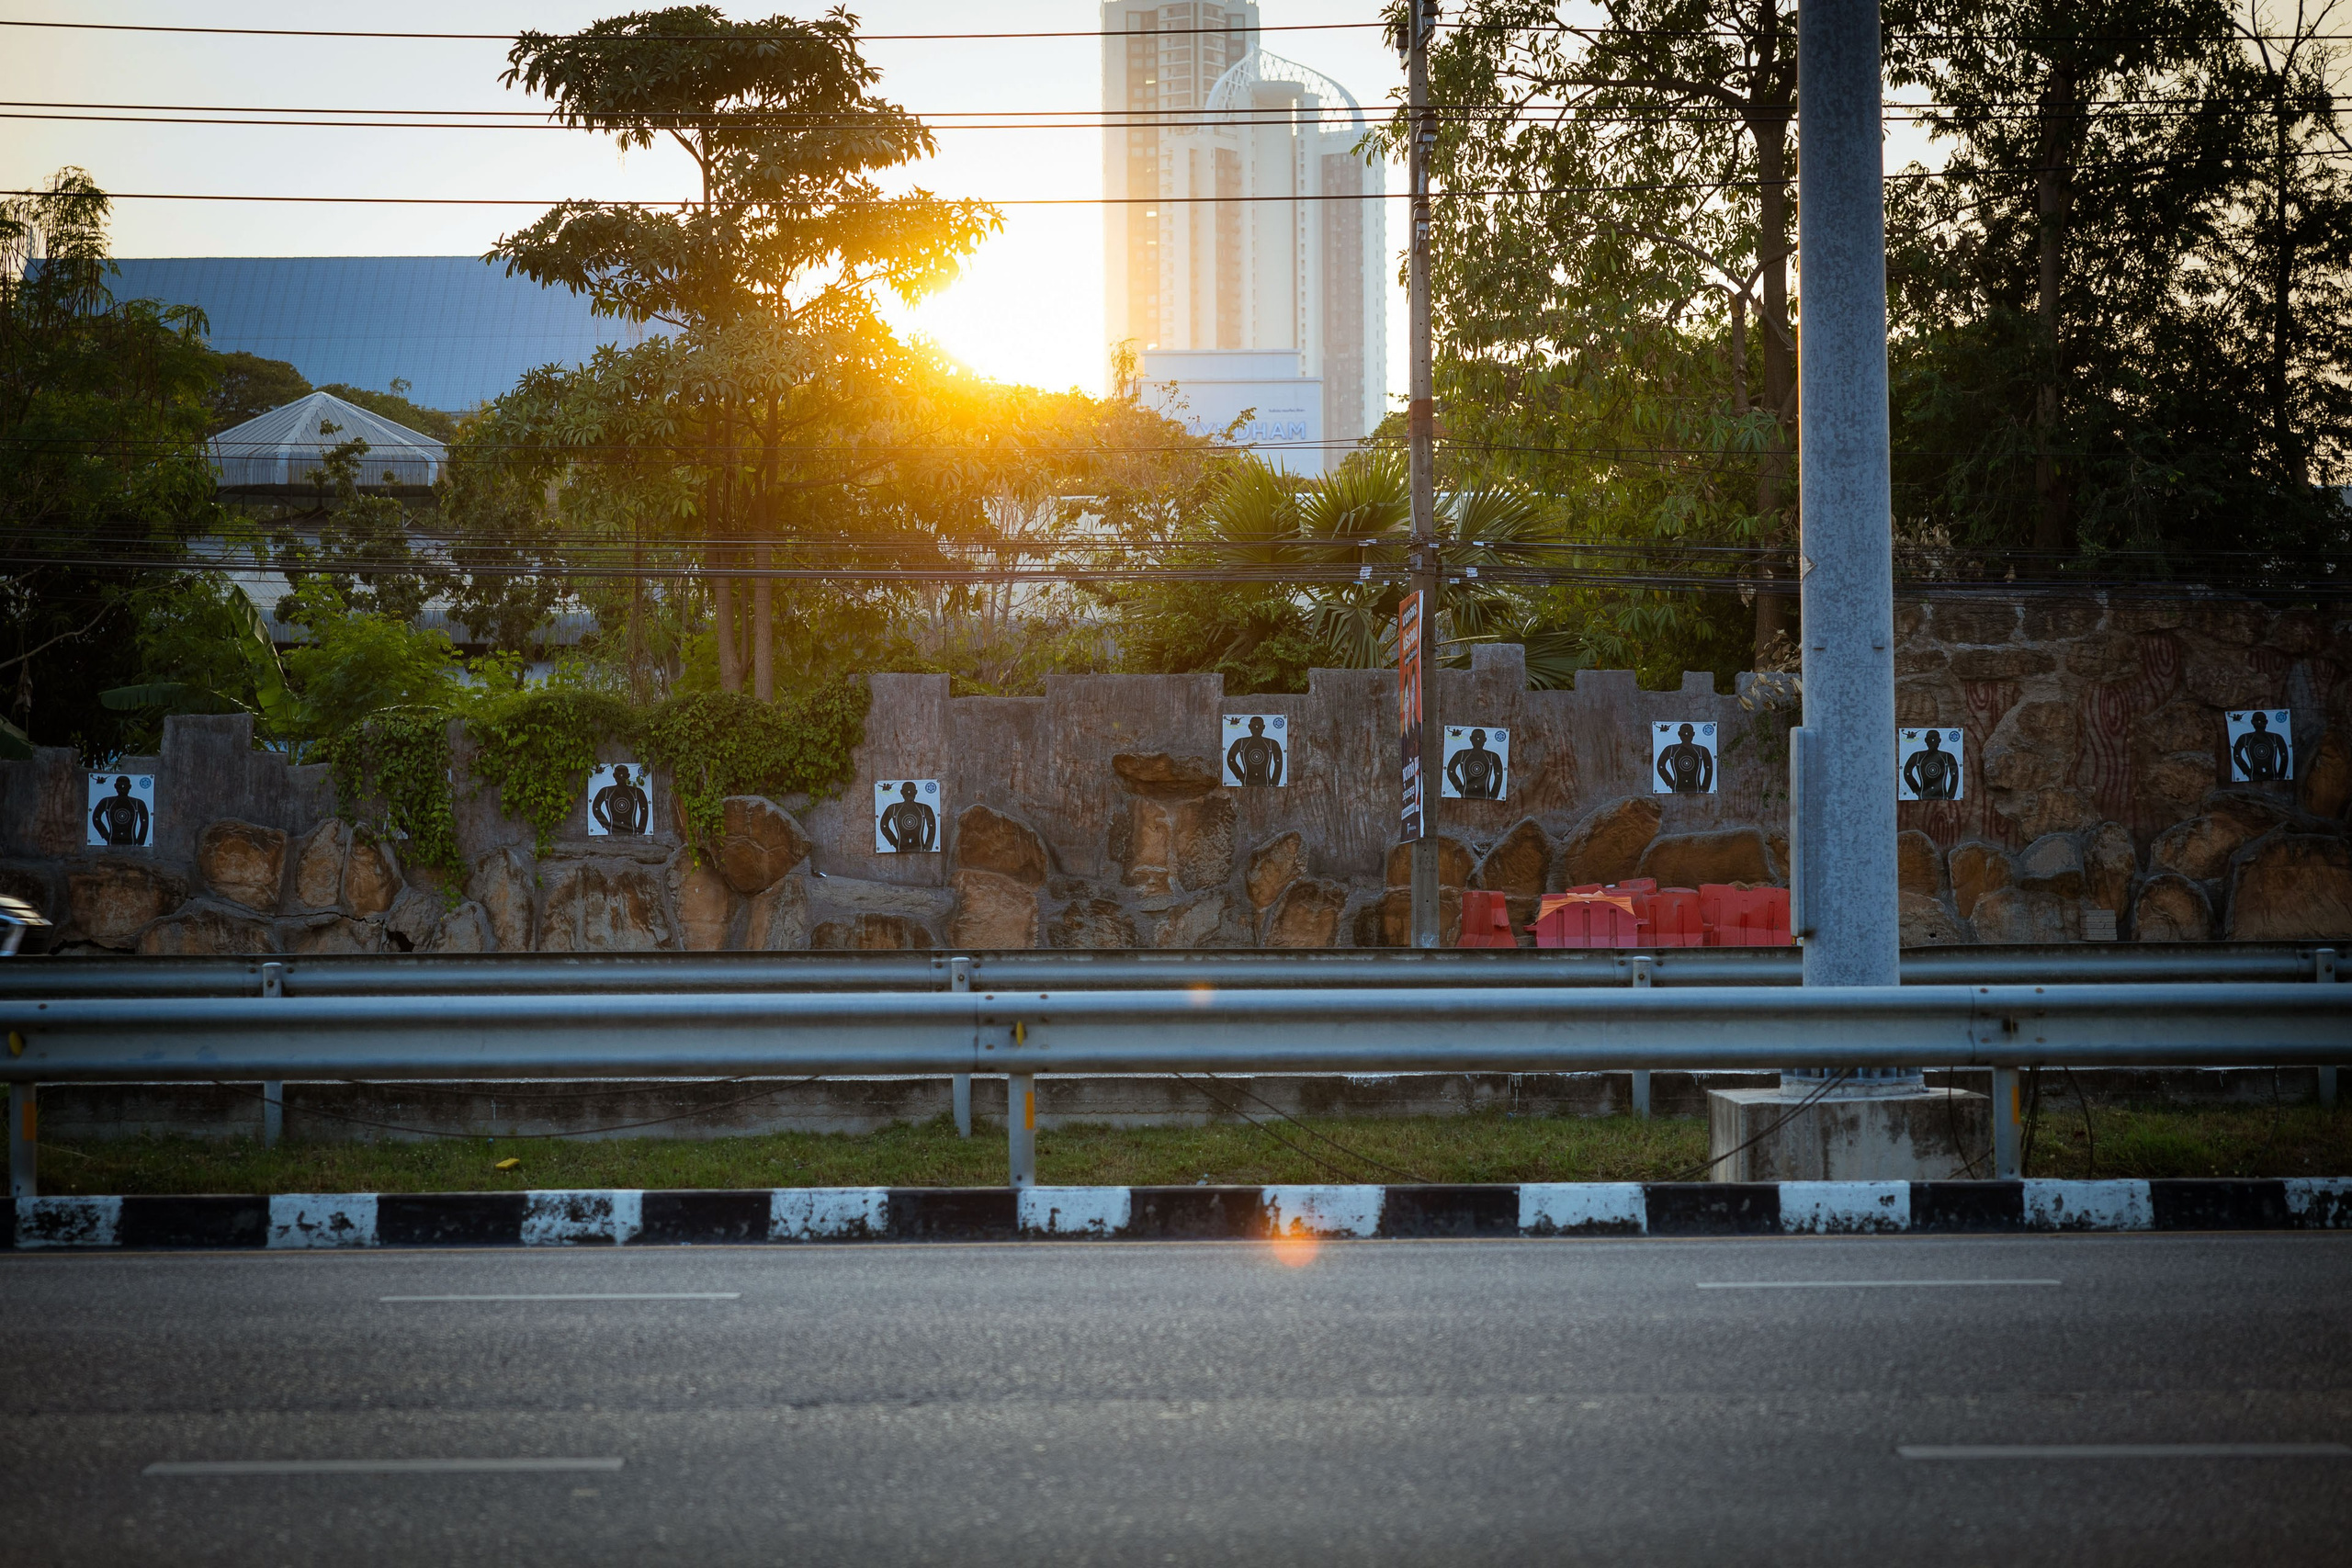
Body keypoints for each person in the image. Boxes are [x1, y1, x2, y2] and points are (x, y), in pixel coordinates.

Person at [1656, 722, 1714, 794]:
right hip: (1679, 788)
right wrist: (1670, 782)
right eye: (1684, 734)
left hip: (1693, 788)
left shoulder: (1702, 750)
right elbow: (1660, 766)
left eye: (1688, 734)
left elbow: (1708, 768)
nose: (1686, 737)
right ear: (1679, 734)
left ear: (1693, 734)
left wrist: (1705, 786)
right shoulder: (1671, 749)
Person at [90, 775, 150, 846]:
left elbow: (144, 822)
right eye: (120, 786)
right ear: (115, 786)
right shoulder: (107, 801)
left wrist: (141, 841)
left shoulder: (138, 803)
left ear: (130, 787)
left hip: (128, 841)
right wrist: (105, 834)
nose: (122, 788)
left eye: (125, 787)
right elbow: (96, 818)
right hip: (114, 841)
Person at [1446, 728, 1505, 800]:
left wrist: (1494, 794)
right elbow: (1450, 770)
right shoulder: (1462, 754)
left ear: (1485, 740)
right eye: (1476, 739)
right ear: (1471, 739)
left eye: (1480, 739)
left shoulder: (1492, 756)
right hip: (1468, 794)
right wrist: (1459, 787)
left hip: (1482, 794)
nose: (1478, 741)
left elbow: (1499, 774)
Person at [879, 780, 938, 852]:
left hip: (904, 847)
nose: (909, 794)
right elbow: (884, 825)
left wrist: (895, 843)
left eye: (911, 792)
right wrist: (894, 842)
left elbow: (932, 827)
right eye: (907, 792)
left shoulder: (894, 808)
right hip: (915, 848)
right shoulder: (924, 808)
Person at [1226, 716, 1284, 787]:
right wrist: (1240, 776)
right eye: (1254, 727)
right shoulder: (1241, 742)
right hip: (1248, 783)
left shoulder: (1272, 743)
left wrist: (1275, 782)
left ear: (1263, 727)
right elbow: (1230, 759)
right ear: (1249, 727)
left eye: (1259, 727)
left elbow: (1278, 762)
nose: (1257, 729)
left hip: (1264, 782)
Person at [2233, 710, 2290, 783]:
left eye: (2261, 722)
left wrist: (2247, 772)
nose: (2259, 724)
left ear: (2252, 722)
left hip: (2256, 777)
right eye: (2258, 722)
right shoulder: (2276, 737)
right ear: (2266, 722)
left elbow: (2236, 755)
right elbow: (2236, 755)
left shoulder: (2245, 738)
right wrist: (2281, 776)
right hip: (2268, 777)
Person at [592, 764, 650, 835]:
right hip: (615, 832)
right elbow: (596, 808)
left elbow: (644, 810)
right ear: (614, 776)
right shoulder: (606, 791)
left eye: (623, 776)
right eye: (618, 775)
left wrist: (641, 829)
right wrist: (606, 825)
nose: (621, 777)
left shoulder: (637, 792)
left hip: (630, 832)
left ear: (628, 776)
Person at [1904, 729, 1962, 801]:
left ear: (1940, 740)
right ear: (1926, 740)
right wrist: (1915, 789)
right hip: (1926, 796)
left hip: (1939, 795)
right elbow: (1907, 772)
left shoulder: (1947, 756)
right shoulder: (1917, 756)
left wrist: (1951, 795)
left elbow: (1954, 775)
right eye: (1931, 740)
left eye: (1934, 740)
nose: (1933, 742)